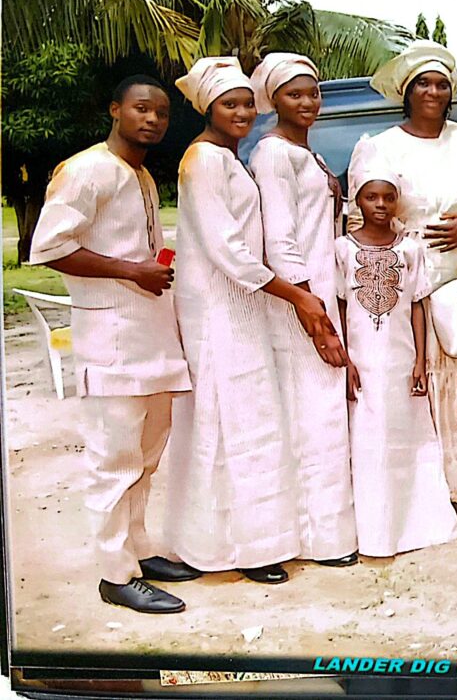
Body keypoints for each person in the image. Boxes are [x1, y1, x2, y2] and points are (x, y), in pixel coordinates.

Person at [166, 57, 345, 585]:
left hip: (241, 306)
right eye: (230, 104)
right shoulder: (203, 160)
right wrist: (298, 296)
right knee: (230, 425)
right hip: (218, 310)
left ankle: (247, 542)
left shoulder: (229, 158)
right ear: (208, 109)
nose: (243, 112)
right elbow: (228, 249)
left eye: (247, 103)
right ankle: (233, 548)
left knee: (250, 426)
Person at [29, 75, 198, 613]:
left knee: (146, 455)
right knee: (114, 458)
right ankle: (115, 574)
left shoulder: (140, 174)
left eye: (162, 113)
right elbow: (49, 247)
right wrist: (131, 271)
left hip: (152, 333)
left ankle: (139, 551)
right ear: (115, 110)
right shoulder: (86, 170)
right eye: (141, 108)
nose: (152, 119)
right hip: (111, 334)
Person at [348, 41, 457, 541]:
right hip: (400, 287)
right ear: (406, 92)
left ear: (452, 92)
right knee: (411, 386)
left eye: (441, 84)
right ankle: (424, 503)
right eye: (422, 83)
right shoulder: (379, 148)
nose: (432, 91)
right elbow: (358, 219)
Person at [248, 52, 358, 568]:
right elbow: (280, 241)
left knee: (325, 416)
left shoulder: (306, 153)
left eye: (313, 92)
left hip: (320, 295)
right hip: (302, 303)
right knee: (312, 418)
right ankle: (317, 539)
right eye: (294, 94)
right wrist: (312, 313)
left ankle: (327, 533)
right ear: (274, 100)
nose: (308, 102)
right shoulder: (273, 154)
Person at [338, 167, 457, 557]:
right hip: (361, 363)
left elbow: (418, 306)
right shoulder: (342, 250)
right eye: (371, 197)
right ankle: (371, 531)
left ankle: (410, 526)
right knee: (366, 439)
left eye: (388, 198)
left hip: (401, 362)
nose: (380, 205)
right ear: (358, 201)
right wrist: (345, 361)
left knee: (404, 436)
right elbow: (340, 306)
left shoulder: (409, 249)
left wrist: (420, 361)